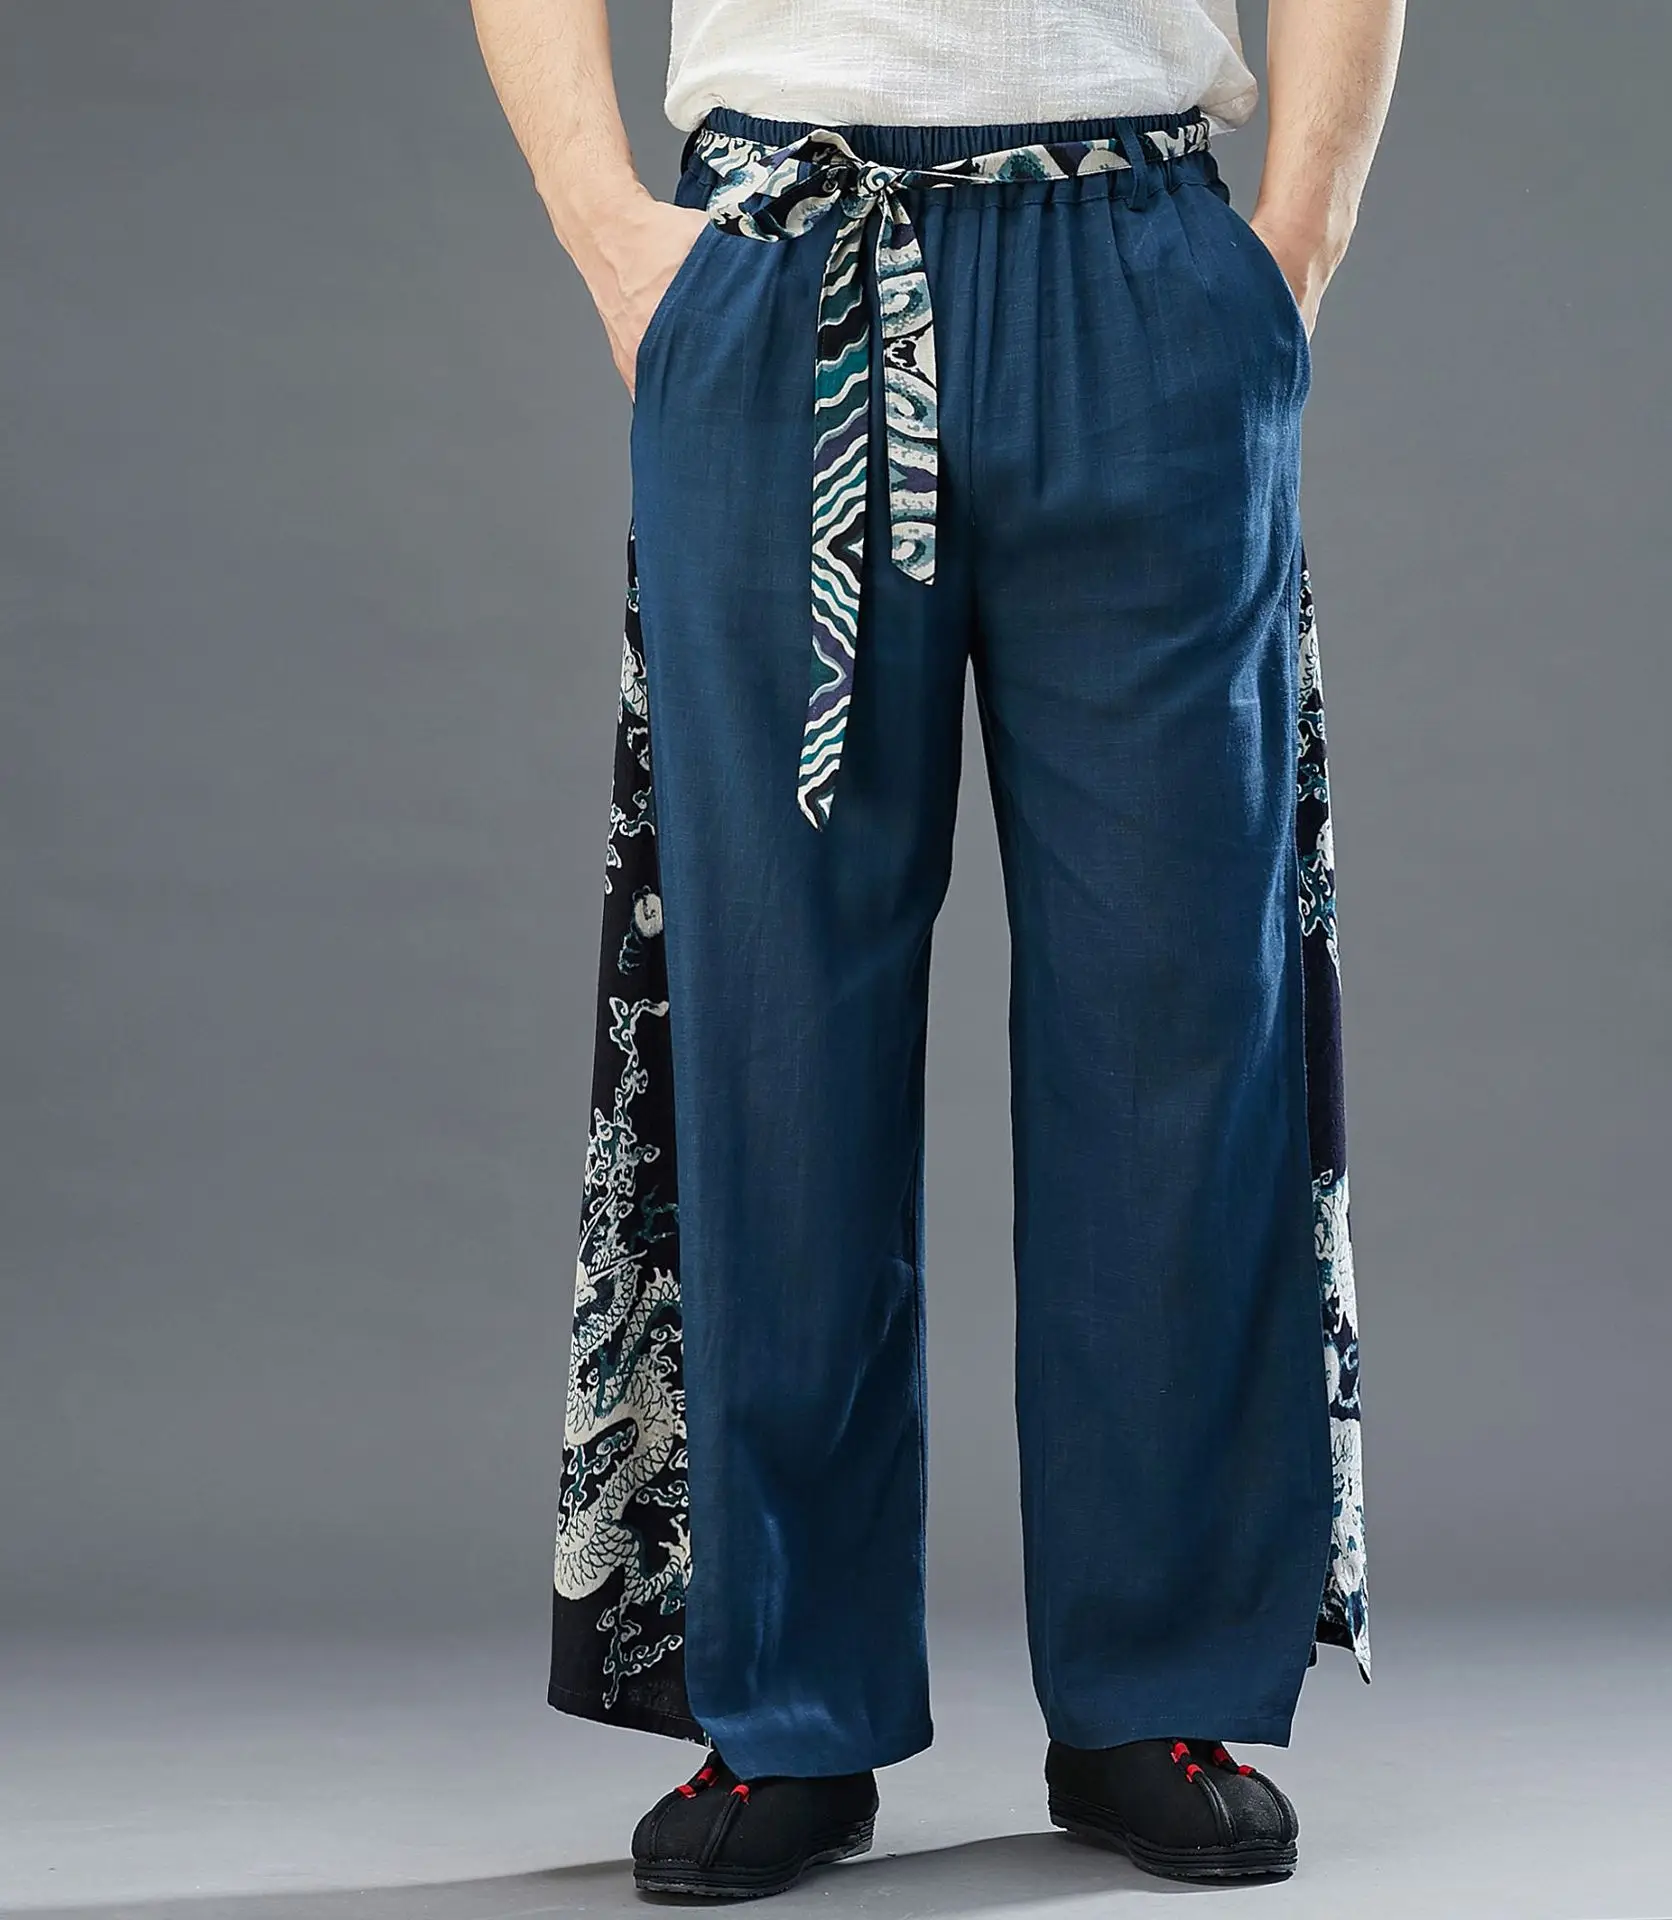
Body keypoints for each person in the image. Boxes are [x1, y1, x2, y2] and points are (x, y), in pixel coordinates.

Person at [471, 0, 1401, 1898]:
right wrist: (607, 229)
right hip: (782, 260)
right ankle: (785, 1706)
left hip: (1136, 260)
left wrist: (1294, 244)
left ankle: (1158, 1690)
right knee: (769, 1029)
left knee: (1178, 1023)